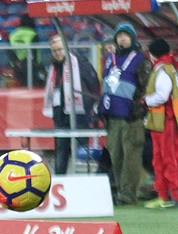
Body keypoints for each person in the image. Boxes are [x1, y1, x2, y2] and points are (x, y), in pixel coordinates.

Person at [99, 23, 152, 205]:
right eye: (119, 35)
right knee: (116, 156)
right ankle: (125, 190)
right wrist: (101, 109)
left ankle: (128, 196)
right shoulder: (109, 59)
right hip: (112, 117)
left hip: (132, 118)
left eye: (126, 35)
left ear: (132, 38)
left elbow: (147, 90)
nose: (122, 38)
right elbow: (106, 86)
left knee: (131, 157)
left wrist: (137, 110)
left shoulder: (141, 60)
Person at [42, 36, 101, 174]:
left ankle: (84, 178)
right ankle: (60, 178)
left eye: (60, 49)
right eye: (54, 50)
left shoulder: (80, 63)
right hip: (60, 115)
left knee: (81, 149)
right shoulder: (53, 67)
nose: (58, 53)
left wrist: (88, 105)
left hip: (79, 114)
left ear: (67, 48)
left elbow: (94, 85)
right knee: (61, 151)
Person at [142, 39, 178, 208]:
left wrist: (147, 100)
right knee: (160, 158)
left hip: (165, 120)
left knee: (167, 158)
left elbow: (162, 96)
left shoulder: (163, 70)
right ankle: (164, 195)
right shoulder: (167, 67)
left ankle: (173, 195)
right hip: (161, 121)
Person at [9, 14, 41, 86]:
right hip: (31, 66)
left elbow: (9, 50)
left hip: (17, 66)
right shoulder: (33, 34)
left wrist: (16, 62)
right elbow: (33, 52)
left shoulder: (12, 34)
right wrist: (25, 62)